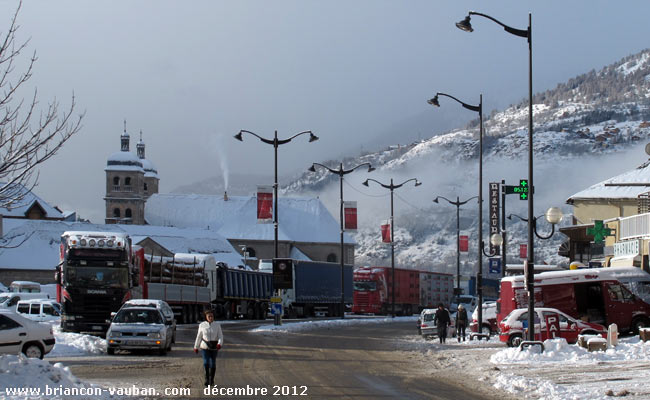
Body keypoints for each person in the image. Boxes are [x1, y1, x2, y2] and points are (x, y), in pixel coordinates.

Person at [194, 309, 223, 387]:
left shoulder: (217, 325)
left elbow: (220, 336)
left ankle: (212, 379)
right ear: (206, 317)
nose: (210, 317)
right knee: (206, 362)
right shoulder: (202, 325)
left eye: (212, 316)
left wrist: (219, 344)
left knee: (213, 363)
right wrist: (196, 346)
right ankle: (206, 379)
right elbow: (199, 336)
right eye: (209, 316)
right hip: (205, 347)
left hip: (214, 347)